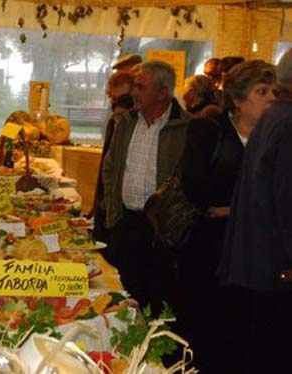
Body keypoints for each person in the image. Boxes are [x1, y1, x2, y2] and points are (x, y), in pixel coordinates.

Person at [179, 60, 276, 373]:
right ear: (237, 99)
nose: (271, 98)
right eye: (261, 91)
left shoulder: (278, 137)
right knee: (208, 331)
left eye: (274, 91)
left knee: (248, 335)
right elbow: (195, 188)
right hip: (210, 250)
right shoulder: (208, 130)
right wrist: (250, 209)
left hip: (258, 255)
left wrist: (232, 209)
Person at [217, 50, 292, 373]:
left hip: (259, 261)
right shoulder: (286, 121)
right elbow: (287, 202)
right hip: (275, 265)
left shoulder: (275, 118)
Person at [102, 61, 192, 313]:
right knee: (123, 298)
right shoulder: (126, 122)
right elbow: (109, 167)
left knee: (159, 300)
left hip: (163, 233)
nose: (133, 92)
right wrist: (112, 207)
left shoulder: (186, 128)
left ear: (162, 93)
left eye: (140, 87)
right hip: (126, 224)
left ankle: (155, 348)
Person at [92, 70, 135, 249]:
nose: (116, 103)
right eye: (113, 98)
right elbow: (105, 165)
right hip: (108, 199)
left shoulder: (135, 125)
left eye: (122, 98)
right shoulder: (113, 122)